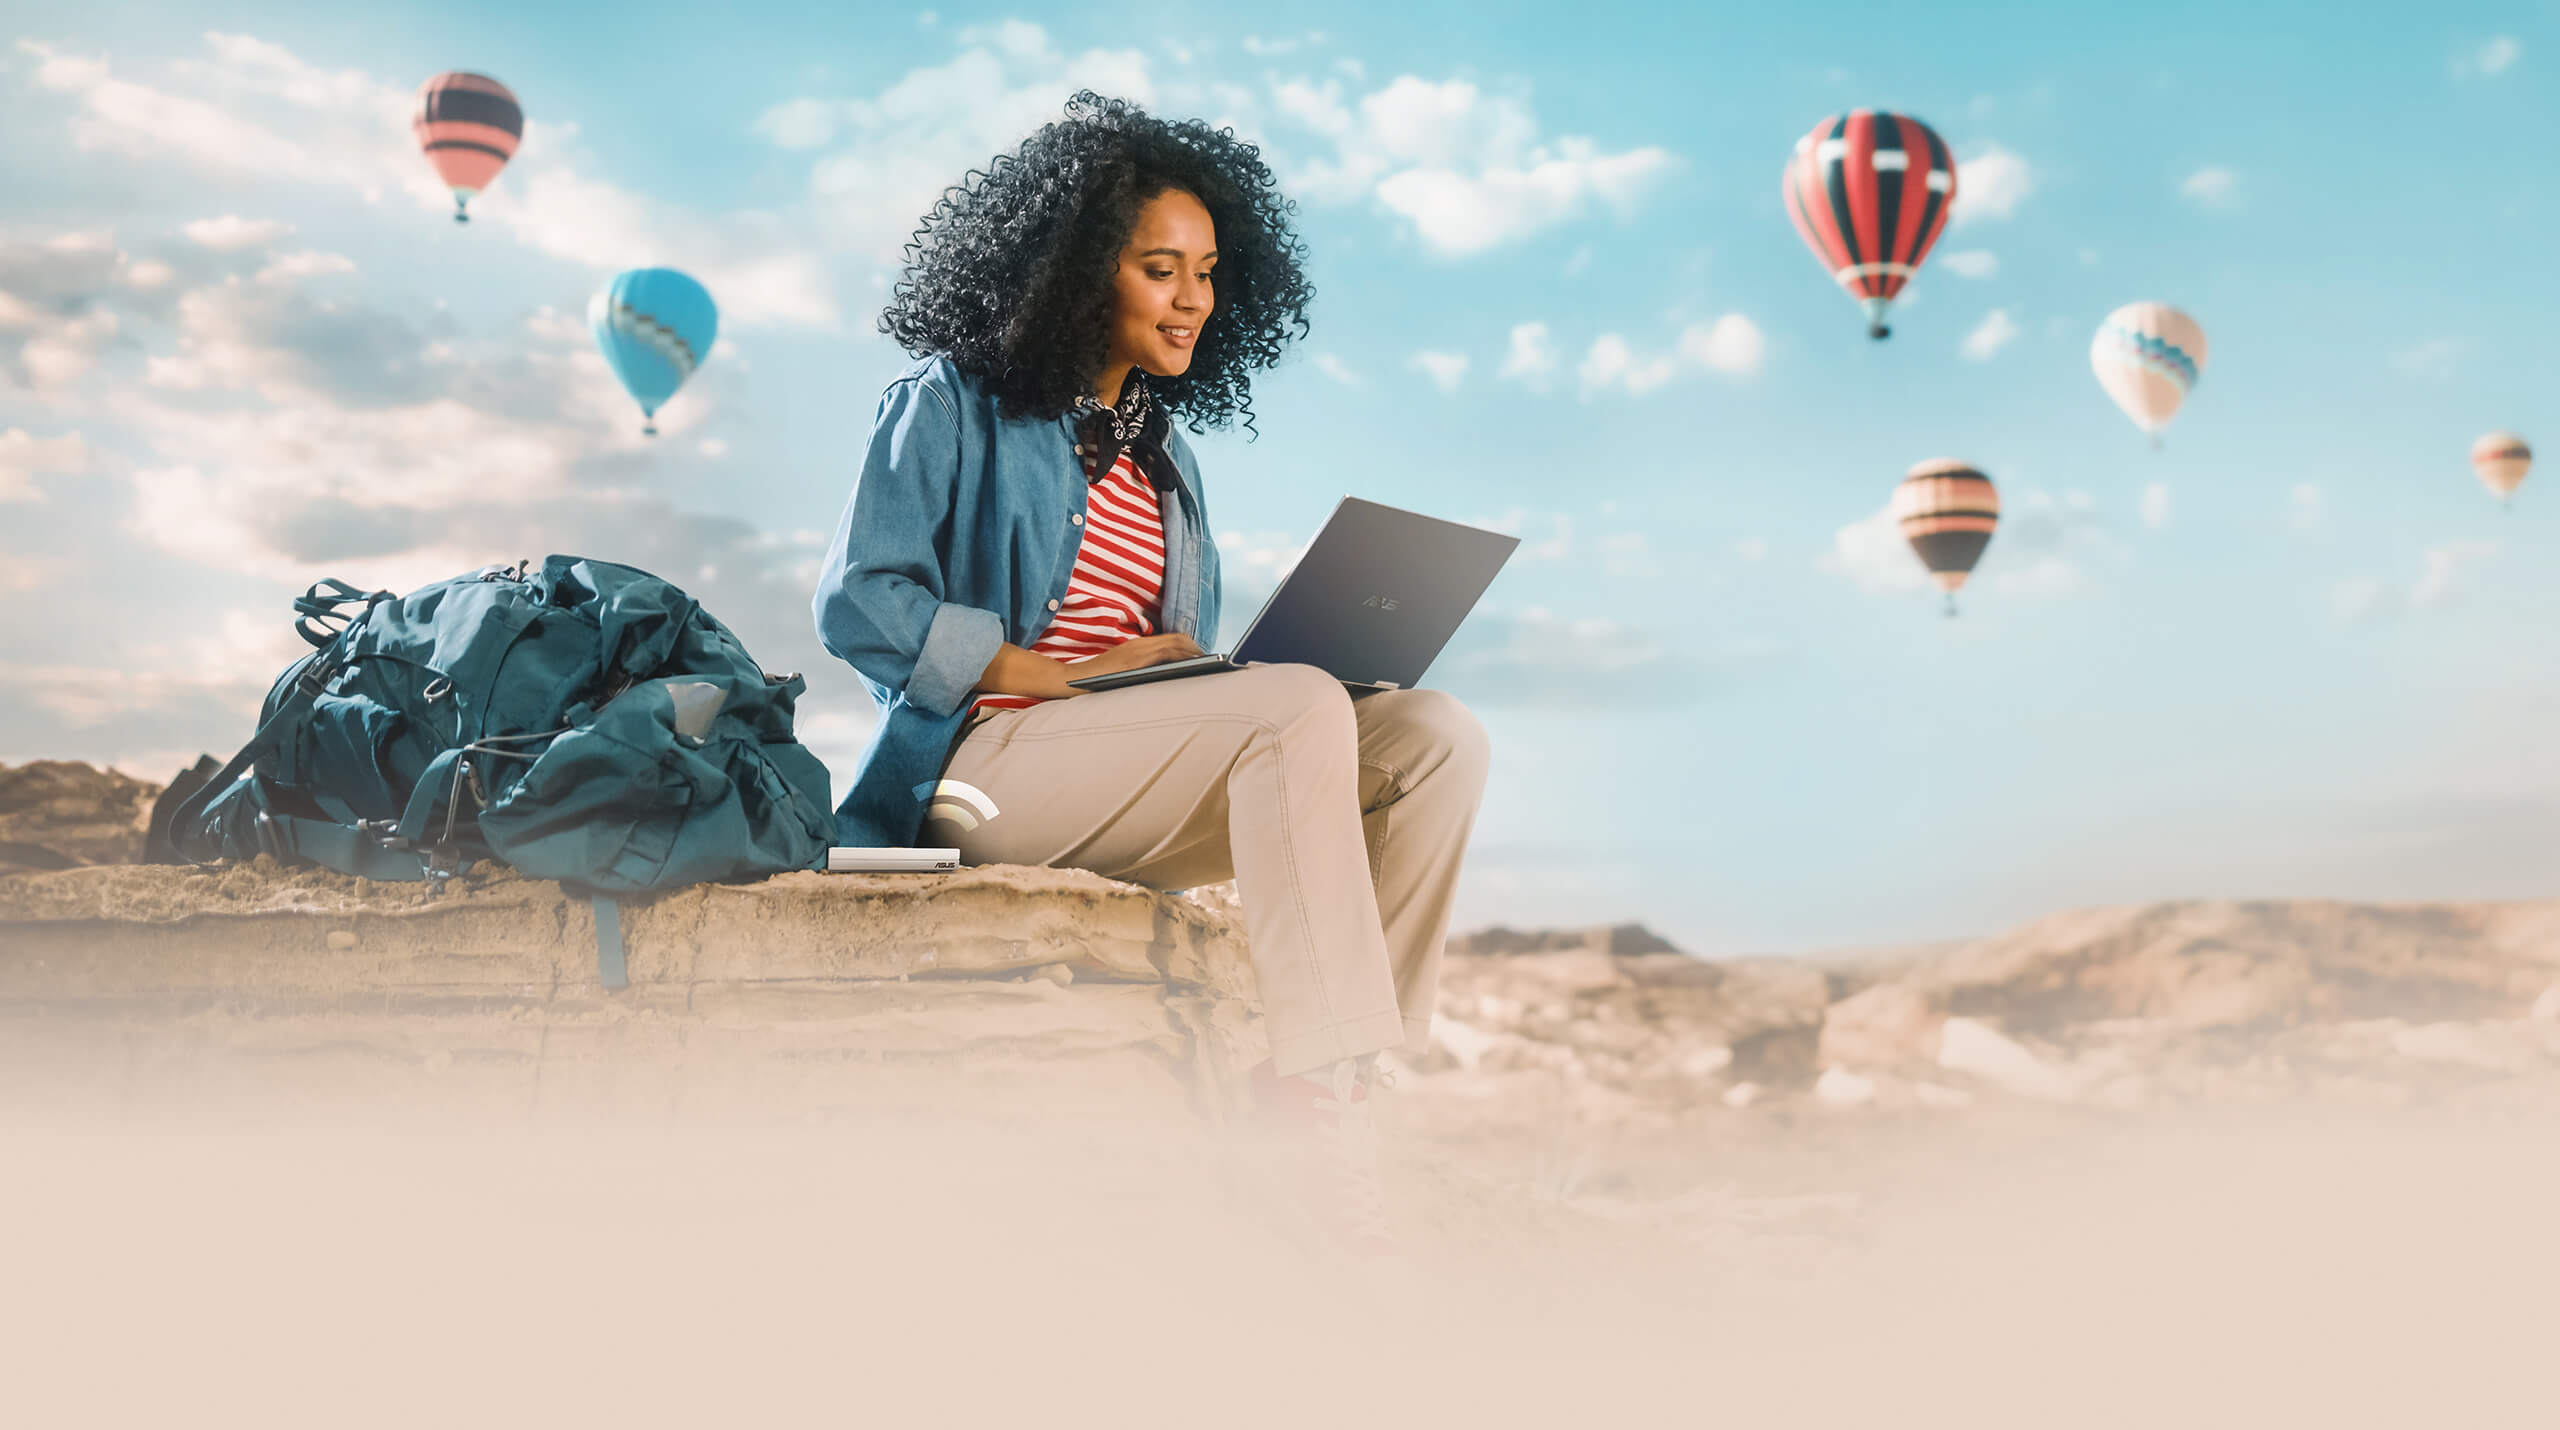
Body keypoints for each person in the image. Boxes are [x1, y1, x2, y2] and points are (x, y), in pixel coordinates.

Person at [811, 91, 1492, 1254]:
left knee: (1435, 734)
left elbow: (1174, 670)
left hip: (1112, 771)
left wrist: (1188, 679)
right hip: (975, 768)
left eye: (1210, 272)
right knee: (1288, 704)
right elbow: (858, 603)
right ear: (1080, 273)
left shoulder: (1169, 464)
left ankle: (1333, 1081)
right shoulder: (947, 402)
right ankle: (1314, 1098)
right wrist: (1051, 674)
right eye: (1161, 269)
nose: (1194, 299)